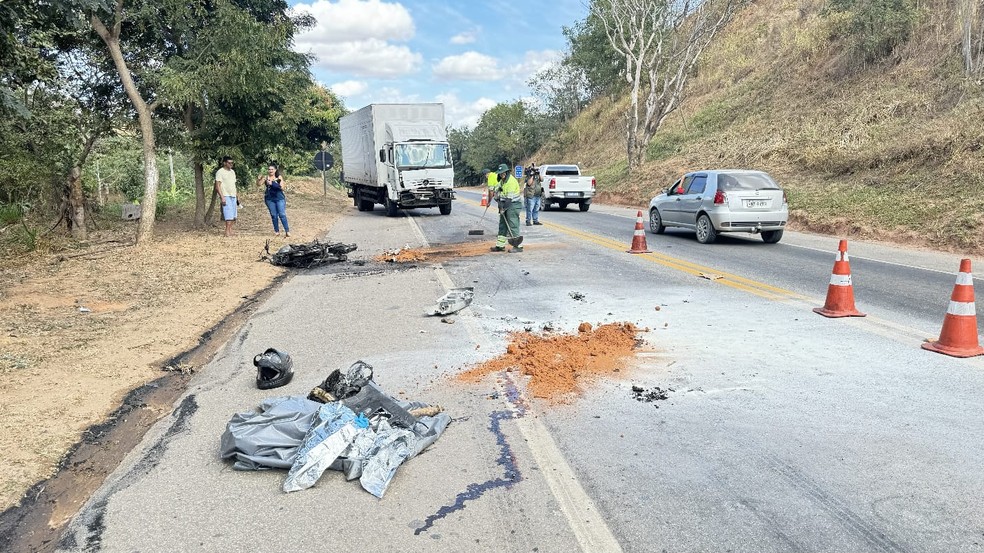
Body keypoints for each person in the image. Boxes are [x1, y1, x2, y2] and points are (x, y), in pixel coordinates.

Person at [489, 163, 523, 253]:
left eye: (503, 173)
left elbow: (509, 199)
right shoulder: (502, 181)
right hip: (505, 203)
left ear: (507, 172)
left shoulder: (511, 182)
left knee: (513, 224)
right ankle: (500, 246)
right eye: (500, 173)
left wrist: (503, 209)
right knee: (502, 225)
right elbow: (497, 190)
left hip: (513, 204)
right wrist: (497, 196)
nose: (502, 175)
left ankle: (518, 246)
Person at [257, 164, 290, 237]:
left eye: (272, 169)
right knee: (274, 215)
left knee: (282, 214)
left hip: (279, 198)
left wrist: (273, 183)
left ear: (275, 170)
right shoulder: (266, 177)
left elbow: (282, 187)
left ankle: (287, 231)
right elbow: (259, 184)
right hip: (269, 199)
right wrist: (259, 179)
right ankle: (276, 231)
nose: (270, 171)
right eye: (269, 169)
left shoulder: (279, 177)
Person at [214, 156, 238, 237]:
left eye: (232, 163)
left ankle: (230, 230)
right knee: (228, 214)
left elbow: (234, 185)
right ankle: (227, 231)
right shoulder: (220, 172)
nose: (231, 164)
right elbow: (218, 186)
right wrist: (222, 197)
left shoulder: (232, 172)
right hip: (226, 195)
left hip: (233, 195)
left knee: (234, 215)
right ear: (224, 163)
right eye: (229, 163)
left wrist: (237, 195)